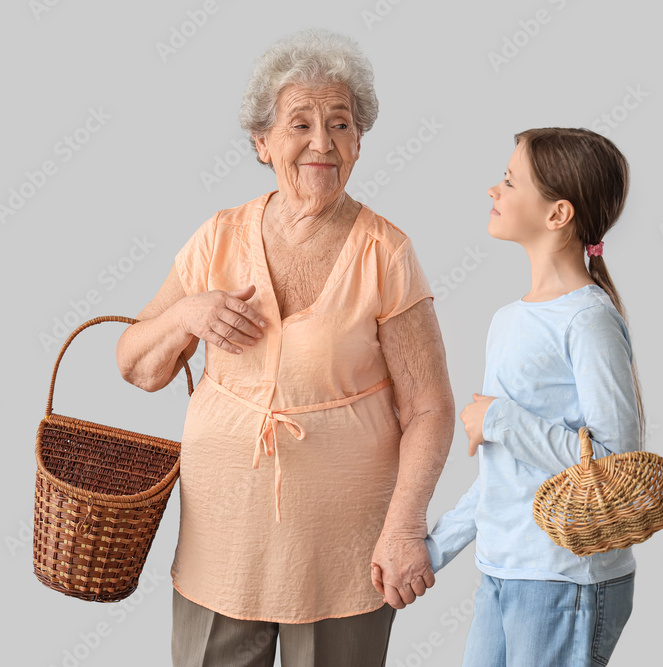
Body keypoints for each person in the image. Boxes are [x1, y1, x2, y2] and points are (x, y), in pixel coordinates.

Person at [115, 29, 454, 667]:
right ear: (262, 142)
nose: (321, 143)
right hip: (221, 543)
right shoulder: (218, 236)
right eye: (300, 123)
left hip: (346, 548)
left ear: (359, 142)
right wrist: (189, 314)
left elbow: (430, 408)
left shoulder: (387, 253)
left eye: (341, 124)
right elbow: (137, 364)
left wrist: (405, 526)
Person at [425, 128, 644, 666]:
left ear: (558, 214)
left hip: (565, 580)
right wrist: (432, 552)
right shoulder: (510, 319)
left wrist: (499, 419)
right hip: (506, 571)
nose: (493, 191)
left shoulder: (588, 320)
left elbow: (616, 466)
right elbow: (507, 476)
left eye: (509, 180)